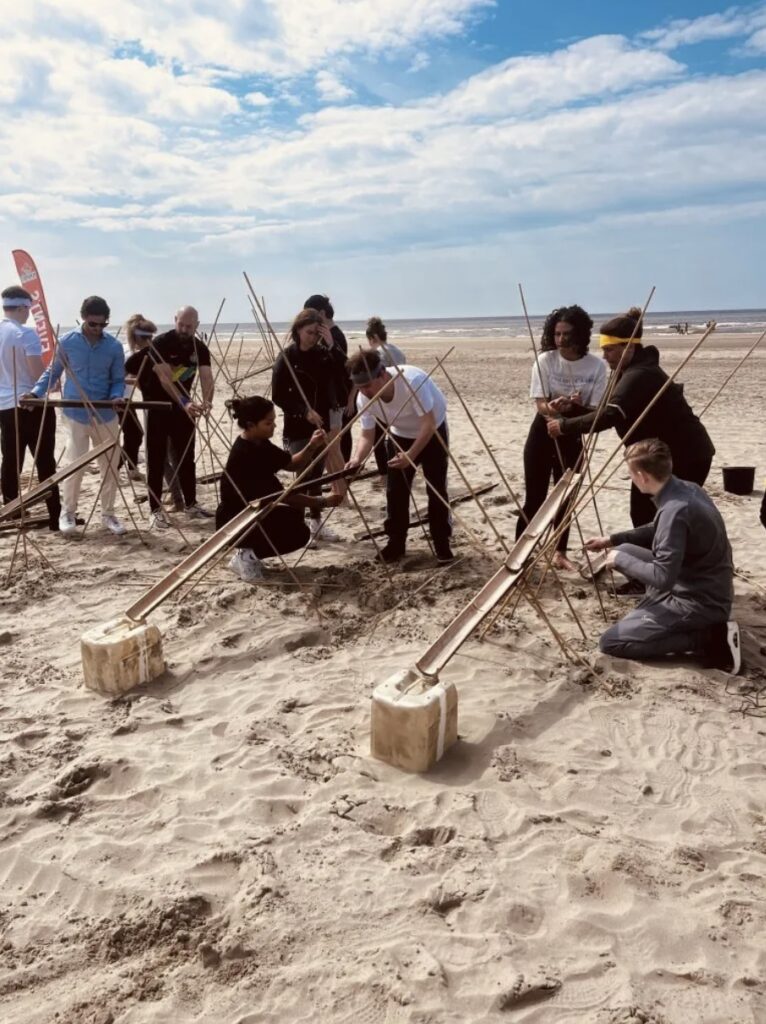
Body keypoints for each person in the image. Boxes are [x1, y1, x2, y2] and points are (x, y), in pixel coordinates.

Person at [548, 306, 715, 527]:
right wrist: (573, 409)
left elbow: (610, 415)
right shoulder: (625, 371)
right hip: (653, 456)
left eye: (609, 350)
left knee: (660, 519)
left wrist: (564, 426)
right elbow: (604, 412)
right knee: (642, 516)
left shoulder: (640, 374)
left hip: (685, 455)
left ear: (628, 347)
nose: (604, 356)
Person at [586, 439, 740, 673]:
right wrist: (612, 540)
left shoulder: (674, 511)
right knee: (624, 549)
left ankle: (709, 637)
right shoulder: (687, 489)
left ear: (642, 477)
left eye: (631, 475)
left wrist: (619, 560)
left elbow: (663, 577)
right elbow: (660, 527)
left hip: (700, 601)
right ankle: (656, 611)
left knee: (611, 642)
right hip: (705, 582)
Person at [516, 305, 606, 570]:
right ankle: (519, 553)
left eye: (567, 334)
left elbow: (595, 411)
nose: (561, 339)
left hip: (572, 432)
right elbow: (540, 405)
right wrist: (554, 406)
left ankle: (559, 553)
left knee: (565, 498)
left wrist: (574, 407)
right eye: (557, 334)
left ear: (580, 334)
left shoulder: (596, 366)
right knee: (535, 498)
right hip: (543, 431)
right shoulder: (545, 360)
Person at [28, 295, 126, 536]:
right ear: (83, 318)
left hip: (105, 414)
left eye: (102, 324)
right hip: (75, 414)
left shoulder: (114, 347)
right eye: (93, 324)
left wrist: (116, 396)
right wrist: (35, 393)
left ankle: (108, 514)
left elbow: (118, 380)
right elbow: (53, 372)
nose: (97, 329)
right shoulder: (67, 341)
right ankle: (68, 513)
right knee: (75, 466)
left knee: (110, 467)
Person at [216, 395, 342, 582]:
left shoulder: (259, 442)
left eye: (274, 421)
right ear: (251, 425)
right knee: (299, 534)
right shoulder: (245, 454)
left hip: (256, 512)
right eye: (268, 423)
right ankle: (246, 557)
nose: (274, 426)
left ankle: (248, 554)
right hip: (236, 520)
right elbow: (282, 496)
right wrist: (321, 501)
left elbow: (291, 464)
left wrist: (312, 445)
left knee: (294, 519)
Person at [345, 349, 452, 564]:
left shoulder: (412, 381)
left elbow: (428, 424)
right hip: (400, 434)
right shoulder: (363, 398)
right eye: (359, 387)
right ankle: (396, 543)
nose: (364, 391)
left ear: (383, 374)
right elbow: (367, 434)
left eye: (368, 385)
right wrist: (357, 459)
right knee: (395, 491)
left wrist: (411, 455)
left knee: (436, 487)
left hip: (432, 432)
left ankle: (441, 542)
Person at [125, 306, 214, 529]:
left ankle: (191, 504)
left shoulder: (199, 348)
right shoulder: (161, 343)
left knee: (186, 458)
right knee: (156, 459)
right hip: (158, 407)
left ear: (196, 325)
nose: (184, 329)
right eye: (181, 324)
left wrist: (207, 401)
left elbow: (206, 377)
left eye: (189, 326)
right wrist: (184, 402)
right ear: (175, 320)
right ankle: (155, 510)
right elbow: (166, 379)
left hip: (185, 410)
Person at [272, 308, 346, 543]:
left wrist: (332, 345)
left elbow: (344, 372)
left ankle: (316, 522)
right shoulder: (287, 357)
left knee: (317, 476)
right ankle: (299, 526)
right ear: (298, 330)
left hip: (321, 422)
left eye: (317, 333)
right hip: (298, 425)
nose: (313, 337)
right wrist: (303, 411)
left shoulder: (324, 355)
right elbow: (278, 395)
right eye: (309, 332)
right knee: (302, 476)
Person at [0, 285, 61, 530]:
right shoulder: (25, 334)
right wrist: (53, 382)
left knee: (11, 460)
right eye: (28, 309)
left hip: (5, 405)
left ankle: (10, 510)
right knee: (45, 461)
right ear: (22, 308)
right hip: (31, 403)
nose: (28, 314)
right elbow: (38, 375)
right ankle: (55, 514)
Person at [304, 294, 353, 461]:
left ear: (322, 313)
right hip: (329, 397)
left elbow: (344, 367)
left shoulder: (334, 336)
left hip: (336, 398)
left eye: (311, 314)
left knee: (337, 440)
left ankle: (343, 472)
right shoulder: (323, 335)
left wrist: (331, 345)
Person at [364, 317, 407, 478]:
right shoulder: (397, 351)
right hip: (401, 396)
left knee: (379, 438)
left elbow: (377, 378)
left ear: (372, 338)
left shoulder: (378, 353)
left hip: (385, 399)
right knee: (397, 434)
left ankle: (385, 470)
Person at [120, 314, 156, 482]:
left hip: (127, 398)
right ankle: (117, 466)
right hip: (119, 399)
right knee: (135, 433)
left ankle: (132, 468)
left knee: (133, 434)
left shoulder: (137, 353)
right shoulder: (130, 354)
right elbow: (118, 378)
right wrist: (140, 381)